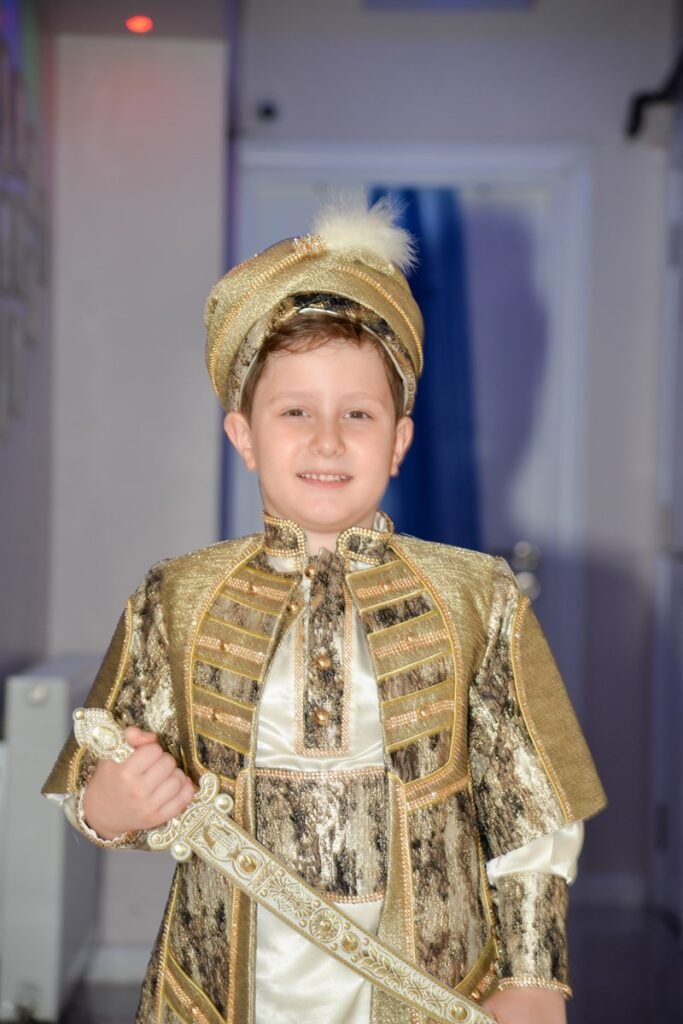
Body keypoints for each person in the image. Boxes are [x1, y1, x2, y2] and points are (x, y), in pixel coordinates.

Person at [43, 199, 606, 1024]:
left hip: (432, 983)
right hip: (219, 988)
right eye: (294, 411)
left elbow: (529, 812)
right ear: (243, 435)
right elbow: (98, 779)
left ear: (399, 441)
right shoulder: (175, 595)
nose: (327, 439)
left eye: (358, 414)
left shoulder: (477, 597)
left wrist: (533, 977)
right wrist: (112, 803)